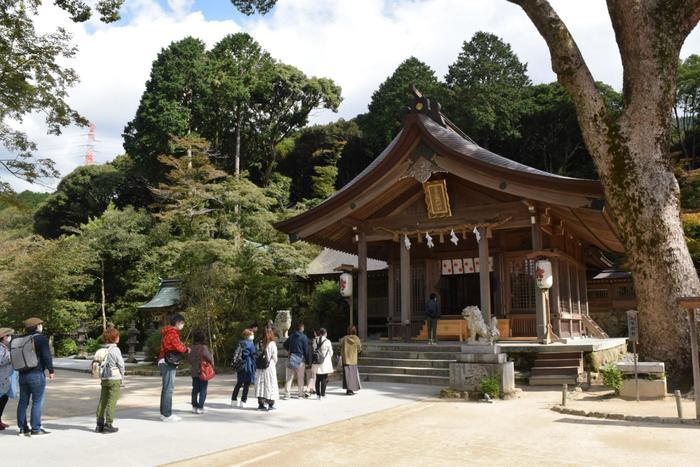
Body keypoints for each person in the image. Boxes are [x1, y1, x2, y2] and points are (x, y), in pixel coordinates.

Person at [16, 317, 54, 436]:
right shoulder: (40, 339)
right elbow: (46, 356)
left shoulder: (21, 339)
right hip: (36, 374)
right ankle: (36, 428)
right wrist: (51, 370)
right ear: (37, 326)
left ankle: (23, 428)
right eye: (41, 325)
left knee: (23, 402)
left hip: (22, 374)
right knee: (37, 402)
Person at [158, 313, 189, 422]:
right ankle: (167, 415)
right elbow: (178, 346)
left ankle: (163, 413)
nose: (182, 325)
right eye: (182, 323)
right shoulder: (173, 333)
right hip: (168, 362)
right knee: (169, 389)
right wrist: (186, 349)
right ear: (177, 323)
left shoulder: (166, 332)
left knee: (165, 388)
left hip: (163, 360)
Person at [95, 327, 125, 434]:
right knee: (111, 402)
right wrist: (122, 377)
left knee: (102, 401)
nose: (118, 337)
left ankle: (99, 424)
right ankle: (108, 424)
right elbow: (121, 365)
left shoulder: (102, 349)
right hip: (114, 378)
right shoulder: (115, 350)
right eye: (117, 336)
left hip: (104, 378)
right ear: (114, 338)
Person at [189, 329, 213, 414]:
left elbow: (190, 360)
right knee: (203, 389)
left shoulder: (191, 347)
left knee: (195, 389)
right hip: (203, 371)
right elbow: (209, 358)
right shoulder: (204, 347)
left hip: (194, 371)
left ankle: (194, 406)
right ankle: (200, 407)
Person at [283, 322, 308, 399]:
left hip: (291, 357)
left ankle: (287, 394)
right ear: (301, 328)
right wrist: (307, 360)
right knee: (300, 377)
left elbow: (285, 344)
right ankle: (300, 394)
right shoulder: (304, 337)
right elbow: (306, 349)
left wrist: (289, 350)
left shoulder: (291, 336)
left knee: (289, 377)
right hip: (300, 358)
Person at [231, 329, 256, 408]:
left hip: (240, 365)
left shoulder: (240, 343)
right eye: (251, 334)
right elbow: (254, 355)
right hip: (248, 365)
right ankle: (243, 401)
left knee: (239, 383)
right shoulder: (251, 345)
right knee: (246, 384)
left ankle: (233, 400)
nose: (253, 336)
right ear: (248, 335)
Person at [255, 328, 279, 411]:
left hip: (259, 367)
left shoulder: (259, 343)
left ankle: (261, 404)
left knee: (261, 385)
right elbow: (275, 358)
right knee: (270, 384)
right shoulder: (272, 344)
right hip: (269, 367)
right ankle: (270, 404)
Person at [339, 325, 362, 395]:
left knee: (347, 375)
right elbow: (359, 349)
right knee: (352, 375)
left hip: (345, 359)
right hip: (353, 359)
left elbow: (340, 348)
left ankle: (348, 389)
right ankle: (351, 389)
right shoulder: (357, 339)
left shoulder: (344, 339)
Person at [311, 328, 334, 400]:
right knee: (324, 378)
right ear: (325, 333)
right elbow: (331, 352)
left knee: (317, 379)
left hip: (317, 362)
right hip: (324, 363)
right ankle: (323, 395)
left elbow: (314, 349)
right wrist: (327, 357)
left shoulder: (315, 340)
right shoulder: (327, 341)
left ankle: (318, 395)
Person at [0, 327, 14, 430]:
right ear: (4, 337)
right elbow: (1, 361)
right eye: (9, 335)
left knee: (4, 398)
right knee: (2, 399)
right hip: (1, 378)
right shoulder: (1, 348)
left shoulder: (4, 347)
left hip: (3, 378)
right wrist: (11, 358)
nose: (10, 337)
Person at [304, 329, 318, 396]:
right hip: (313, 361)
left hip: (306, 361)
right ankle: (309, 389)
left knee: (308, 376)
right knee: (313, 376)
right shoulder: (314, 342)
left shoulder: (305, 343)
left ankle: (312, 389)